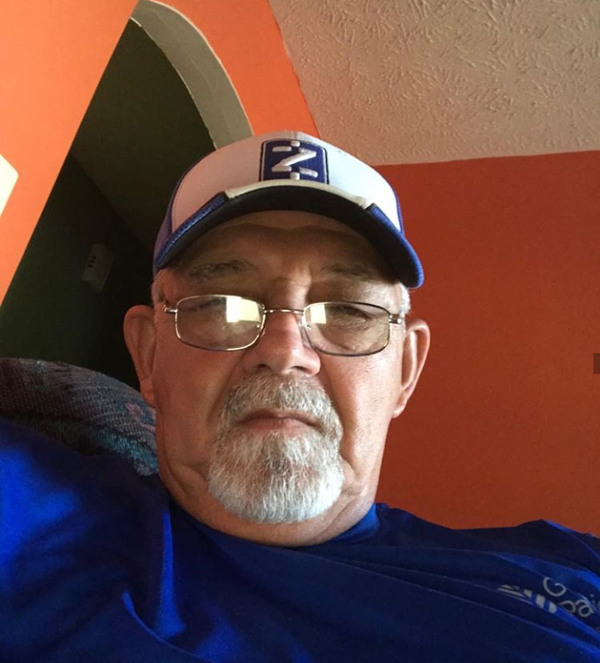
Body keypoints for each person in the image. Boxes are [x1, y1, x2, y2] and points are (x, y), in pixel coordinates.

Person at [1, 131, 599, 662]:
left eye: (349, 310)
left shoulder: (572, 568)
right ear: (149, 355)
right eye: (223, 305)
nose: (286, 351)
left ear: (405, 370)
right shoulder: (37, 529)